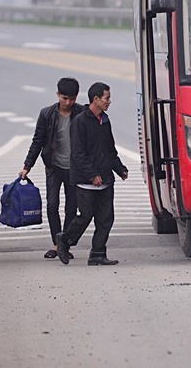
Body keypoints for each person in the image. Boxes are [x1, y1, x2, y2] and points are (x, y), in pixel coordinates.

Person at [55, 81, 128, 266]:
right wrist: (92, 175)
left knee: (106, 219)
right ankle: (65, 240)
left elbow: (110, 150)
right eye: (106, 98)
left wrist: (120, 169)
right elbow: (78, 154)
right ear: (96, 99)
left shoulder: (105, 120)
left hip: (105, 179)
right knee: (85, 216)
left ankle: (97, 253)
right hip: (86, 180)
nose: (109, 101)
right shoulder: (80, 122)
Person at [20, 77, 86, 259]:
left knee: (71, 208)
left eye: (72, 99)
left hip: (75, 169)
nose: (68, 102)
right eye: (65, 98)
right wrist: (27, 166)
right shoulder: (46, 114)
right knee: (52, 205)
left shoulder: (82, 113)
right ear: (57, 95)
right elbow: (38, 141)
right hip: (54, 167)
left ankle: (64, 245)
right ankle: (56, 244)